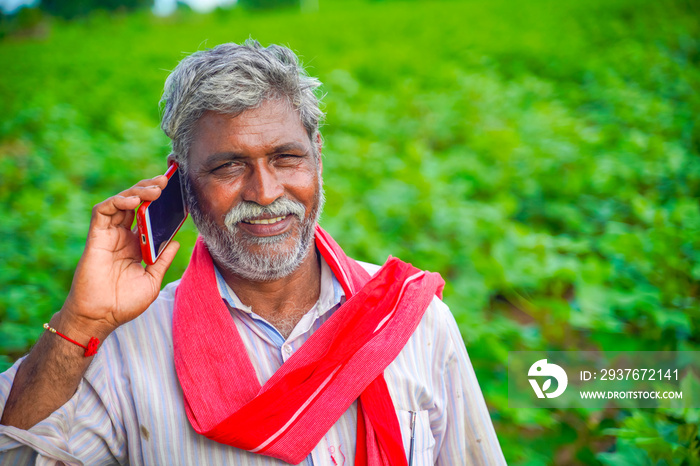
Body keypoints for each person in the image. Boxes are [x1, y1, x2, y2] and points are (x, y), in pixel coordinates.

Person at [0, 40, 506, 465]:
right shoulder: (122, 346)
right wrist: (82, 323)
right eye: (228, 167)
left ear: (318, 155)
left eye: (286, 158)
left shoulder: (412, 320)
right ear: (182, 183)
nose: (265, 193)